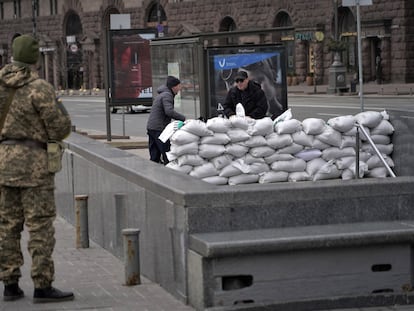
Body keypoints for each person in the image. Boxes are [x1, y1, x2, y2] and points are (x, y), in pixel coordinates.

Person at [0, 34, 74, 303]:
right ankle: (42, 285)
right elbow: (60, 126)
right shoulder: (39, 87)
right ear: (34, 58)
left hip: (4, 163)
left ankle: (9, 284)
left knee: (7, 225)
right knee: (40, 225)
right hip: (34, 167)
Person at [146, 75, 186, 164]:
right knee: (167, 154)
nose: (180, 88)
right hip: (159, 129)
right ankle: (169, 173)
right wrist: (183, 118)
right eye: (179, 86)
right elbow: (169, 111)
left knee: (154, 156)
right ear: (174, 87)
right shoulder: (167, 95)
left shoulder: (163, 94)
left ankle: (153, 174)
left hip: (152, 127)